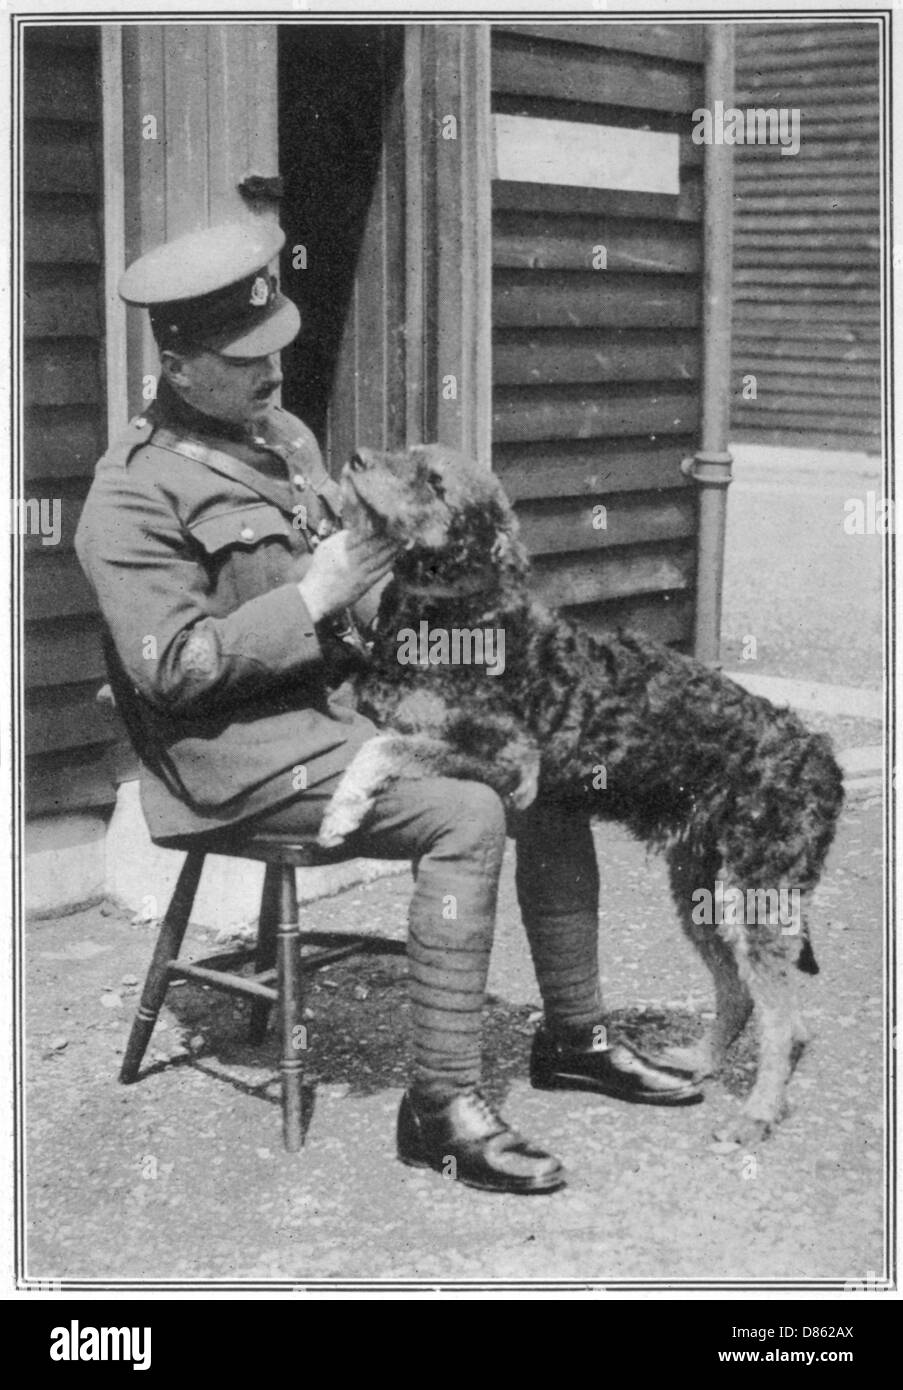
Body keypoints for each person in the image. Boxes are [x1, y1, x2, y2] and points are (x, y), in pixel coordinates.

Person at [75, 221, 702, 1197]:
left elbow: (357, 576)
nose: (275, 373)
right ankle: (439, 1108)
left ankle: (574, 1035)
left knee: (551, 745)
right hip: (232, 754)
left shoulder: (281, 438)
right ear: (180, 364)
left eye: (276, 344)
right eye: (246, 360)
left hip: (334, 709)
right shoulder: (127, 500)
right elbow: (174, 674)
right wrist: (313, 601)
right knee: (468, 810)